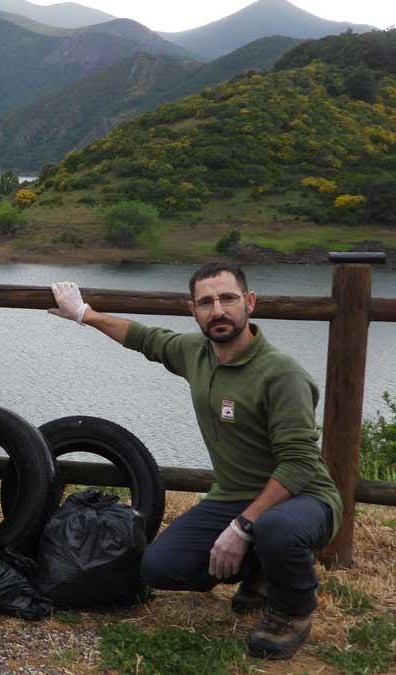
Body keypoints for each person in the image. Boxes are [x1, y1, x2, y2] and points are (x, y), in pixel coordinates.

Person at [48, 263, 341, 660]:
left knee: (277, 529)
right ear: (193, 310)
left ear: (249, 303)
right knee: (159, 568)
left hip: (304, 498)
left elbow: (299, 465)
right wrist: (83, 314)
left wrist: (241, 527)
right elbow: (143, 338)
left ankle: (294, 608)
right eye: (206, 302)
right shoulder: (195, 354)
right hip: (234, 496)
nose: (218, 310)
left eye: (228, 298)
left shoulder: (282, 375)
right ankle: (262, 570)